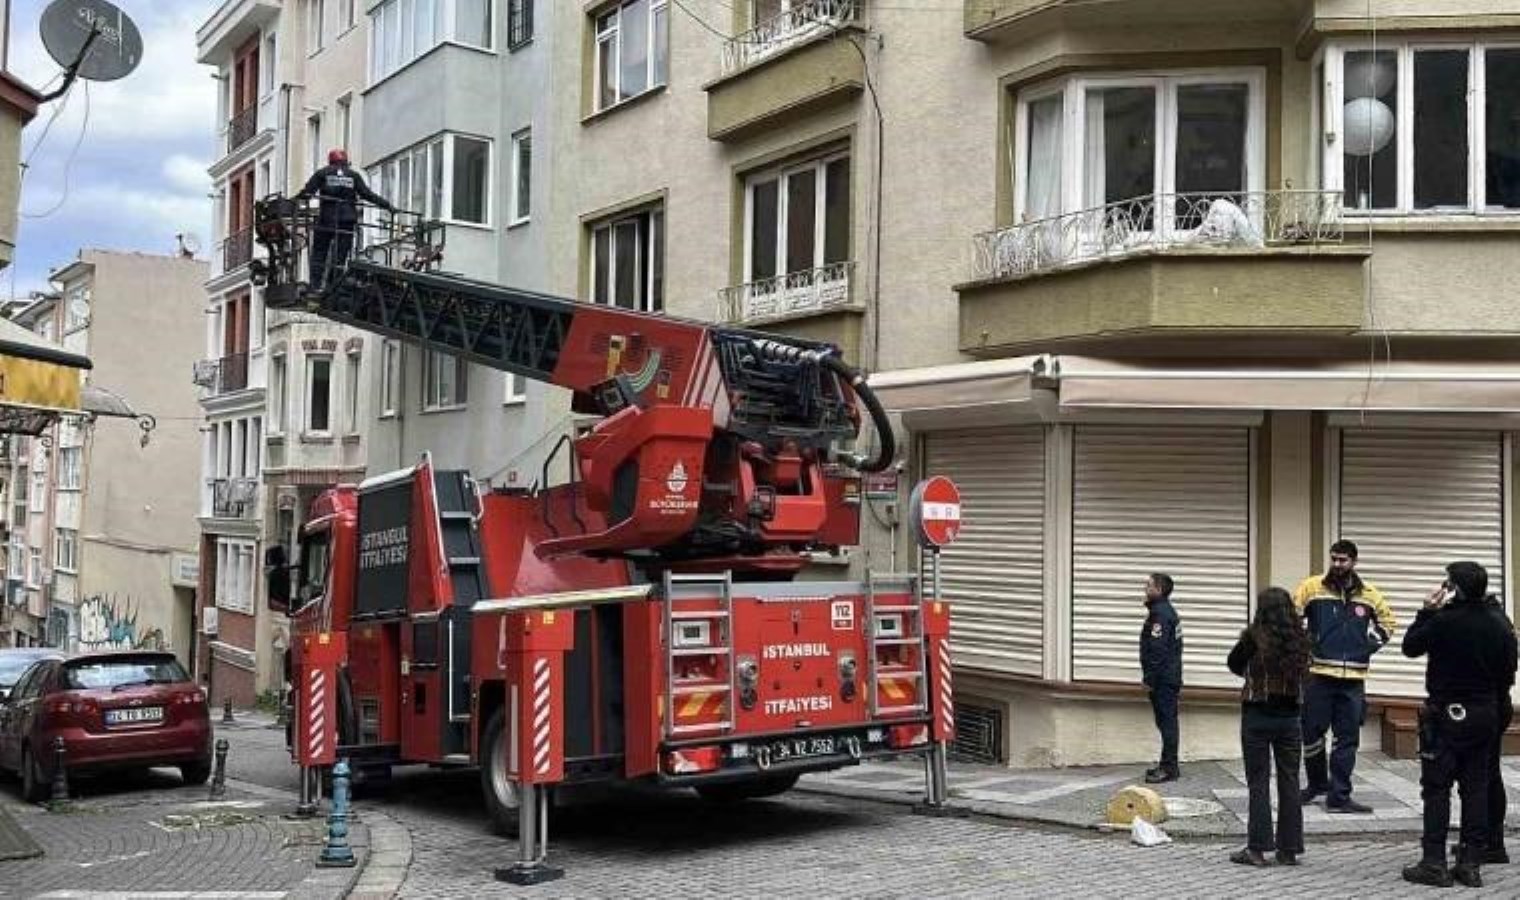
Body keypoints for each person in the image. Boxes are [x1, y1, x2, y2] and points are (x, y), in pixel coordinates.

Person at [1401, 561, 1517, 888]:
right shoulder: (1499, 622)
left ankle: (1434, 861)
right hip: (1485, 711)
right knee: (1476, 787)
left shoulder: (1443, 622)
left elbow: (1410, 647)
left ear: (1454, 588)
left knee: (1437, 788)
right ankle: (1470, 862)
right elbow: (1509, 669)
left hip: (1447, 711)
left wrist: (1426, 611)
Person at [1293, 539, 1396, 814]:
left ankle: (1339, 796)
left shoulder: (1370, 594)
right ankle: (1316, 784)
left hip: (1353, 680)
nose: (1337, 565)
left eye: (1343, 560)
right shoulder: (1311, 587)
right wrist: (1308, 644)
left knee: (1347, 738)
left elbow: (1388, 623)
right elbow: (1293, 618)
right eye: (1334, 559)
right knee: (1312, 735)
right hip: (1318, 675)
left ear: (1354, 562)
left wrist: (1366, 646)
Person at [1226, 587, 1309, 868]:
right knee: (1290, 781)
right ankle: (1289, 848)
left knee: (1258, 782)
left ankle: (1257, 849)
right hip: (1289, 719)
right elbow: (1306, 673)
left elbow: (1234, 663)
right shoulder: (1300, 639)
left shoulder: (1253, 638)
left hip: (1257, 716)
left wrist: (1255, 676)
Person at [295, 148, 394, 288]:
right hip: (347, 221)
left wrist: (292, 204)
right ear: (346, 162)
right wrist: (387, 205)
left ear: (330, 161)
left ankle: (315, 285)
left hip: (326, 220)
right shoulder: (353, 176)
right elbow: (367, 194)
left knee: (319, 253)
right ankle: (333, 284)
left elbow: (307, 193)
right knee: (340, 256)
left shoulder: (322, 173)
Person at [1139, 573, 1182, 784]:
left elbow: (1157, 650)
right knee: (1166, 722)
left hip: (1163, 679)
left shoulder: (1161, 615)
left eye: (1149, 585)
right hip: (1166, 677)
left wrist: (1150, 678)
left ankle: (1169, 768)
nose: (1145, 588)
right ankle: (1167, 763)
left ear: (1159, 590)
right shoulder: (1162, 612)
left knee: (1167, 723)